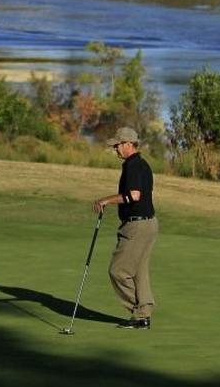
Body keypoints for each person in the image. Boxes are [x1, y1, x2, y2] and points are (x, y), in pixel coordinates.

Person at [92, 126, 157, 329]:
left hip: (137, 226)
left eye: (117, 145)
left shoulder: (133, 165)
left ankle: (140, 313)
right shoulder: (142, 164)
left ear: (129, 144)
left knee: (118, 271)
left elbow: (134, 195)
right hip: (148, 223)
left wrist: (106, 200)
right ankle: (143, 316)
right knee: (139, 272)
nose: (115, 149)